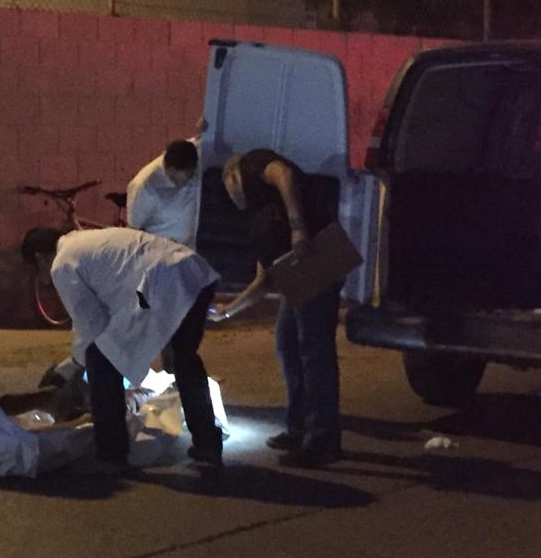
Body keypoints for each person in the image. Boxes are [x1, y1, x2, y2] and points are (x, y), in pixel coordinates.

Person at [21, 226, 223, 472]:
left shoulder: (62, 264)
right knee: (184, 359)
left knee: (100, 361)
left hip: (159, 283)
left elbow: (90, 326)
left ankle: (112, 453)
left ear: (40, 259)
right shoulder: (85, 242)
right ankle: (207, 444)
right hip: (194, 272)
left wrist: (69, 369)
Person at [221, 149, 342, 468]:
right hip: (296, 274)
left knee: (314, 350)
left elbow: (283, 174)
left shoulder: (250, 164)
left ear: (231, 177)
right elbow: (263, 282)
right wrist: (227, 311)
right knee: (288, 343)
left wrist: (298, 227)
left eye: (227, 188)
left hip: (318, 258)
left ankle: (323, 440)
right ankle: (300, 427)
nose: (230, 197)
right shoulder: (258, 216)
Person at [126, 139, 201, 247]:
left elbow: (200, 140)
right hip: (159, 250)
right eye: (188, 175)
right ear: (172, 170)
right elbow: (133, 231)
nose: (191, 177)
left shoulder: (192, 158)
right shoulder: (144, 187)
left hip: (188, 247)